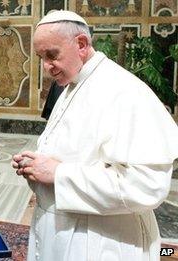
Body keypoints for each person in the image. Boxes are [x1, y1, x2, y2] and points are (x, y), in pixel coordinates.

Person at [12, 10, 178, 261]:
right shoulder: (73, 84)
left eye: (52, 55)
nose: (46, 68)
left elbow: (148, 186)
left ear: (81, 44)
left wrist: (58, 173)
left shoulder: (124, 92)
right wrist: (36, 163)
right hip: (64, 232)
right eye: (40, 57)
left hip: (101, 243)